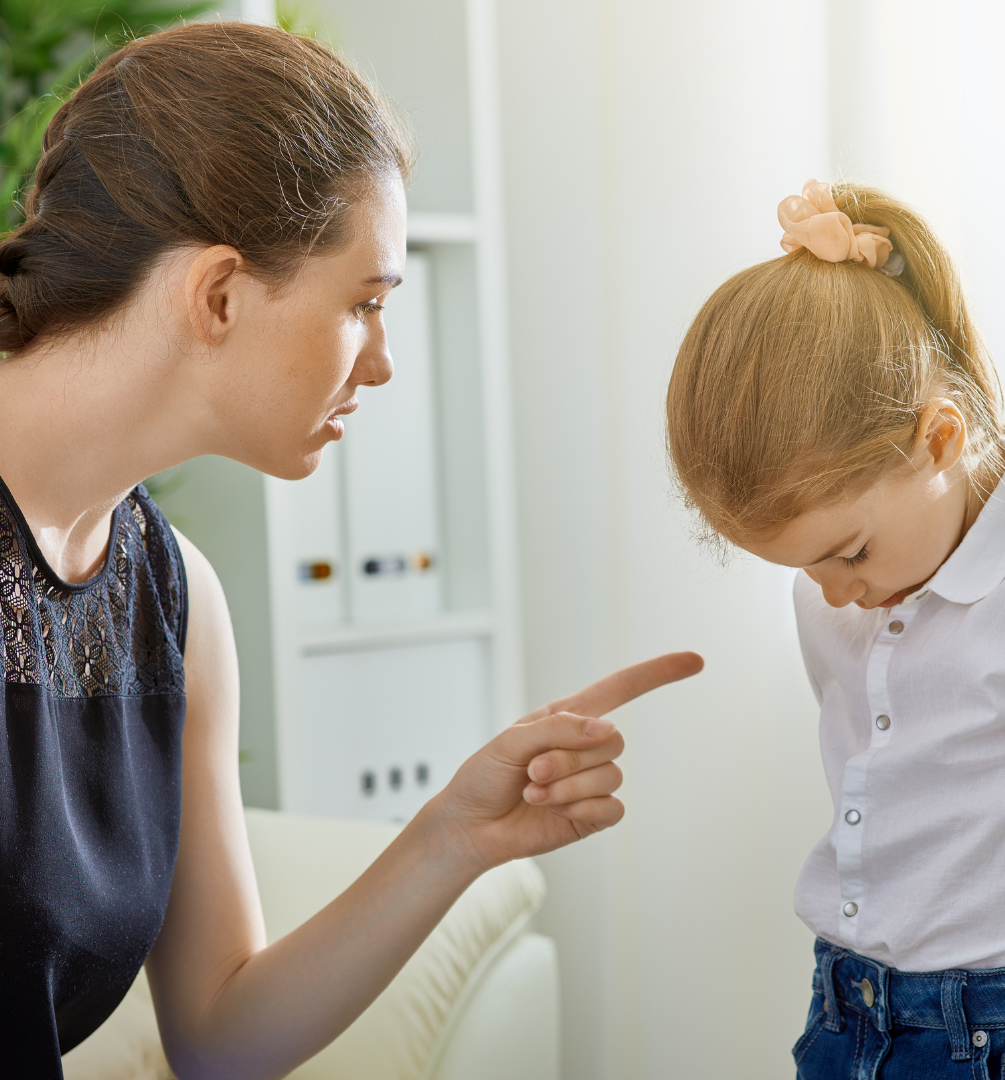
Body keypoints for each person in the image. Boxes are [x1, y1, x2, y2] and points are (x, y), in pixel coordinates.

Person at [0, 21, 703, 1077]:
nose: (380, 365)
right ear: (220, 294)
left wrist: (450, 838)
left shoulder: (177, 602)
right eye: (365, 305)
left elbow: (221, 1038)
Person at [667, 178, 1005, 1078]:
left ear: (940, 440)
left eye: (849, 552)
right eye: (803, 568)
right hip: (847, 1015)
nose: (832, 592)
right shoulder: (830, 597)